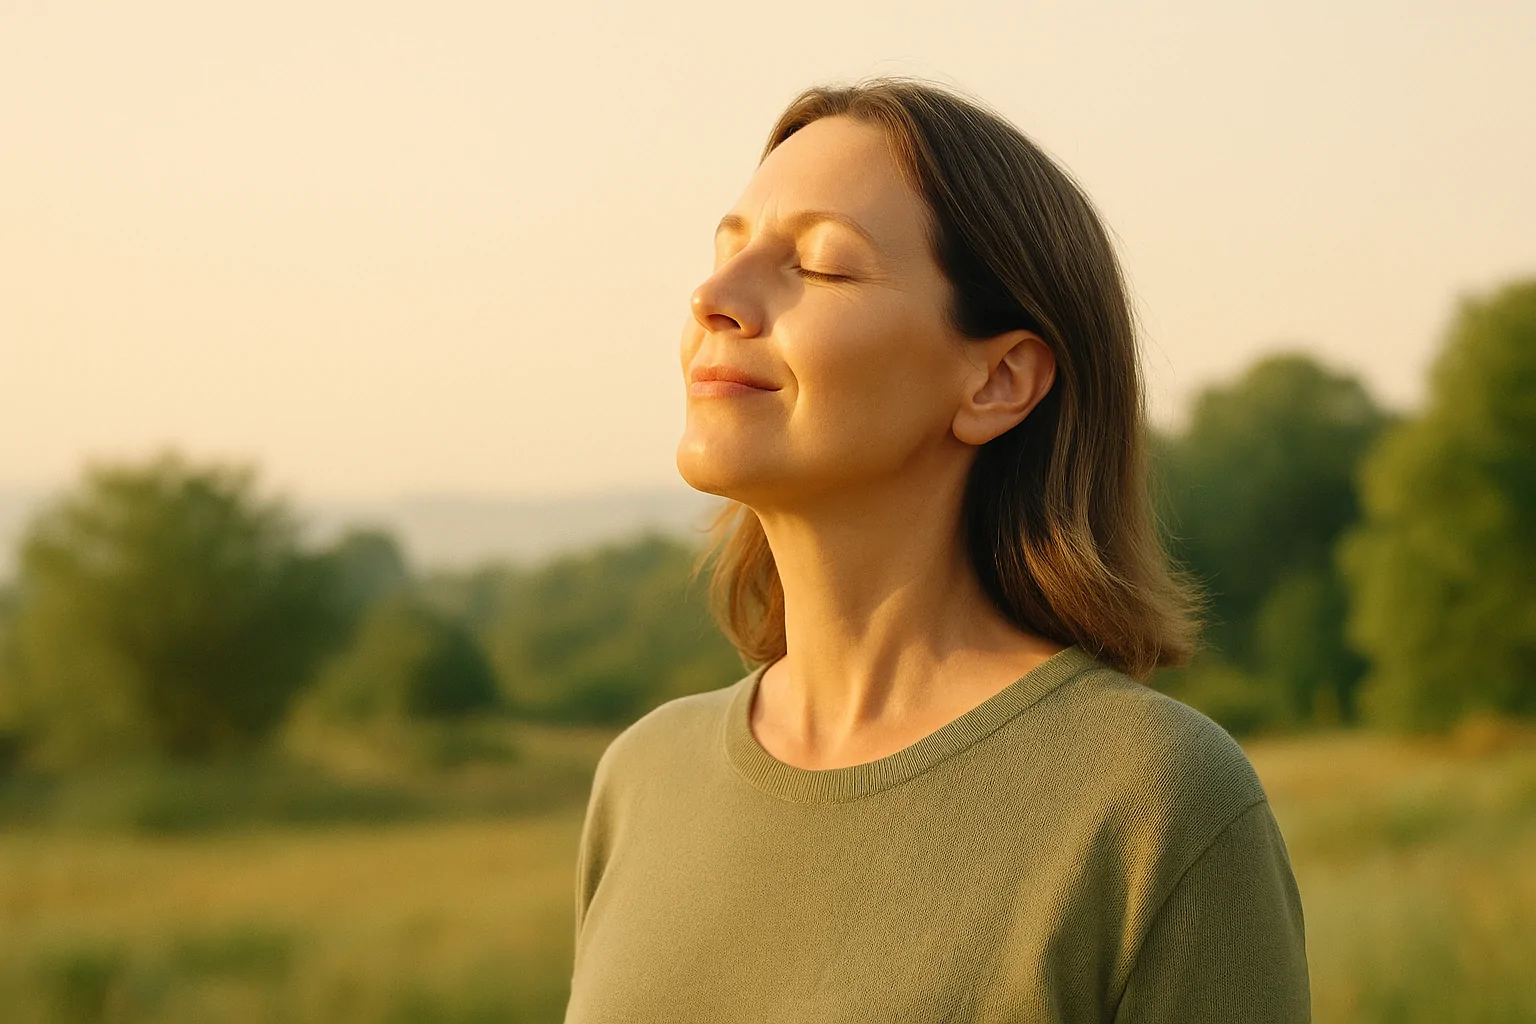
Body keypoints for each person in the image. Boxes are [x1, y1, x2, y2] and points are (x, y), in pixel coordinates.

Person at [563, 77, 1310, 1023]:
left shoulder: (1155, 802)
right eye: (727, 251)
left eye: (823, 267)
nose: (714, 297)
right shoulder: (642, 778)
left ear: (998, 381)